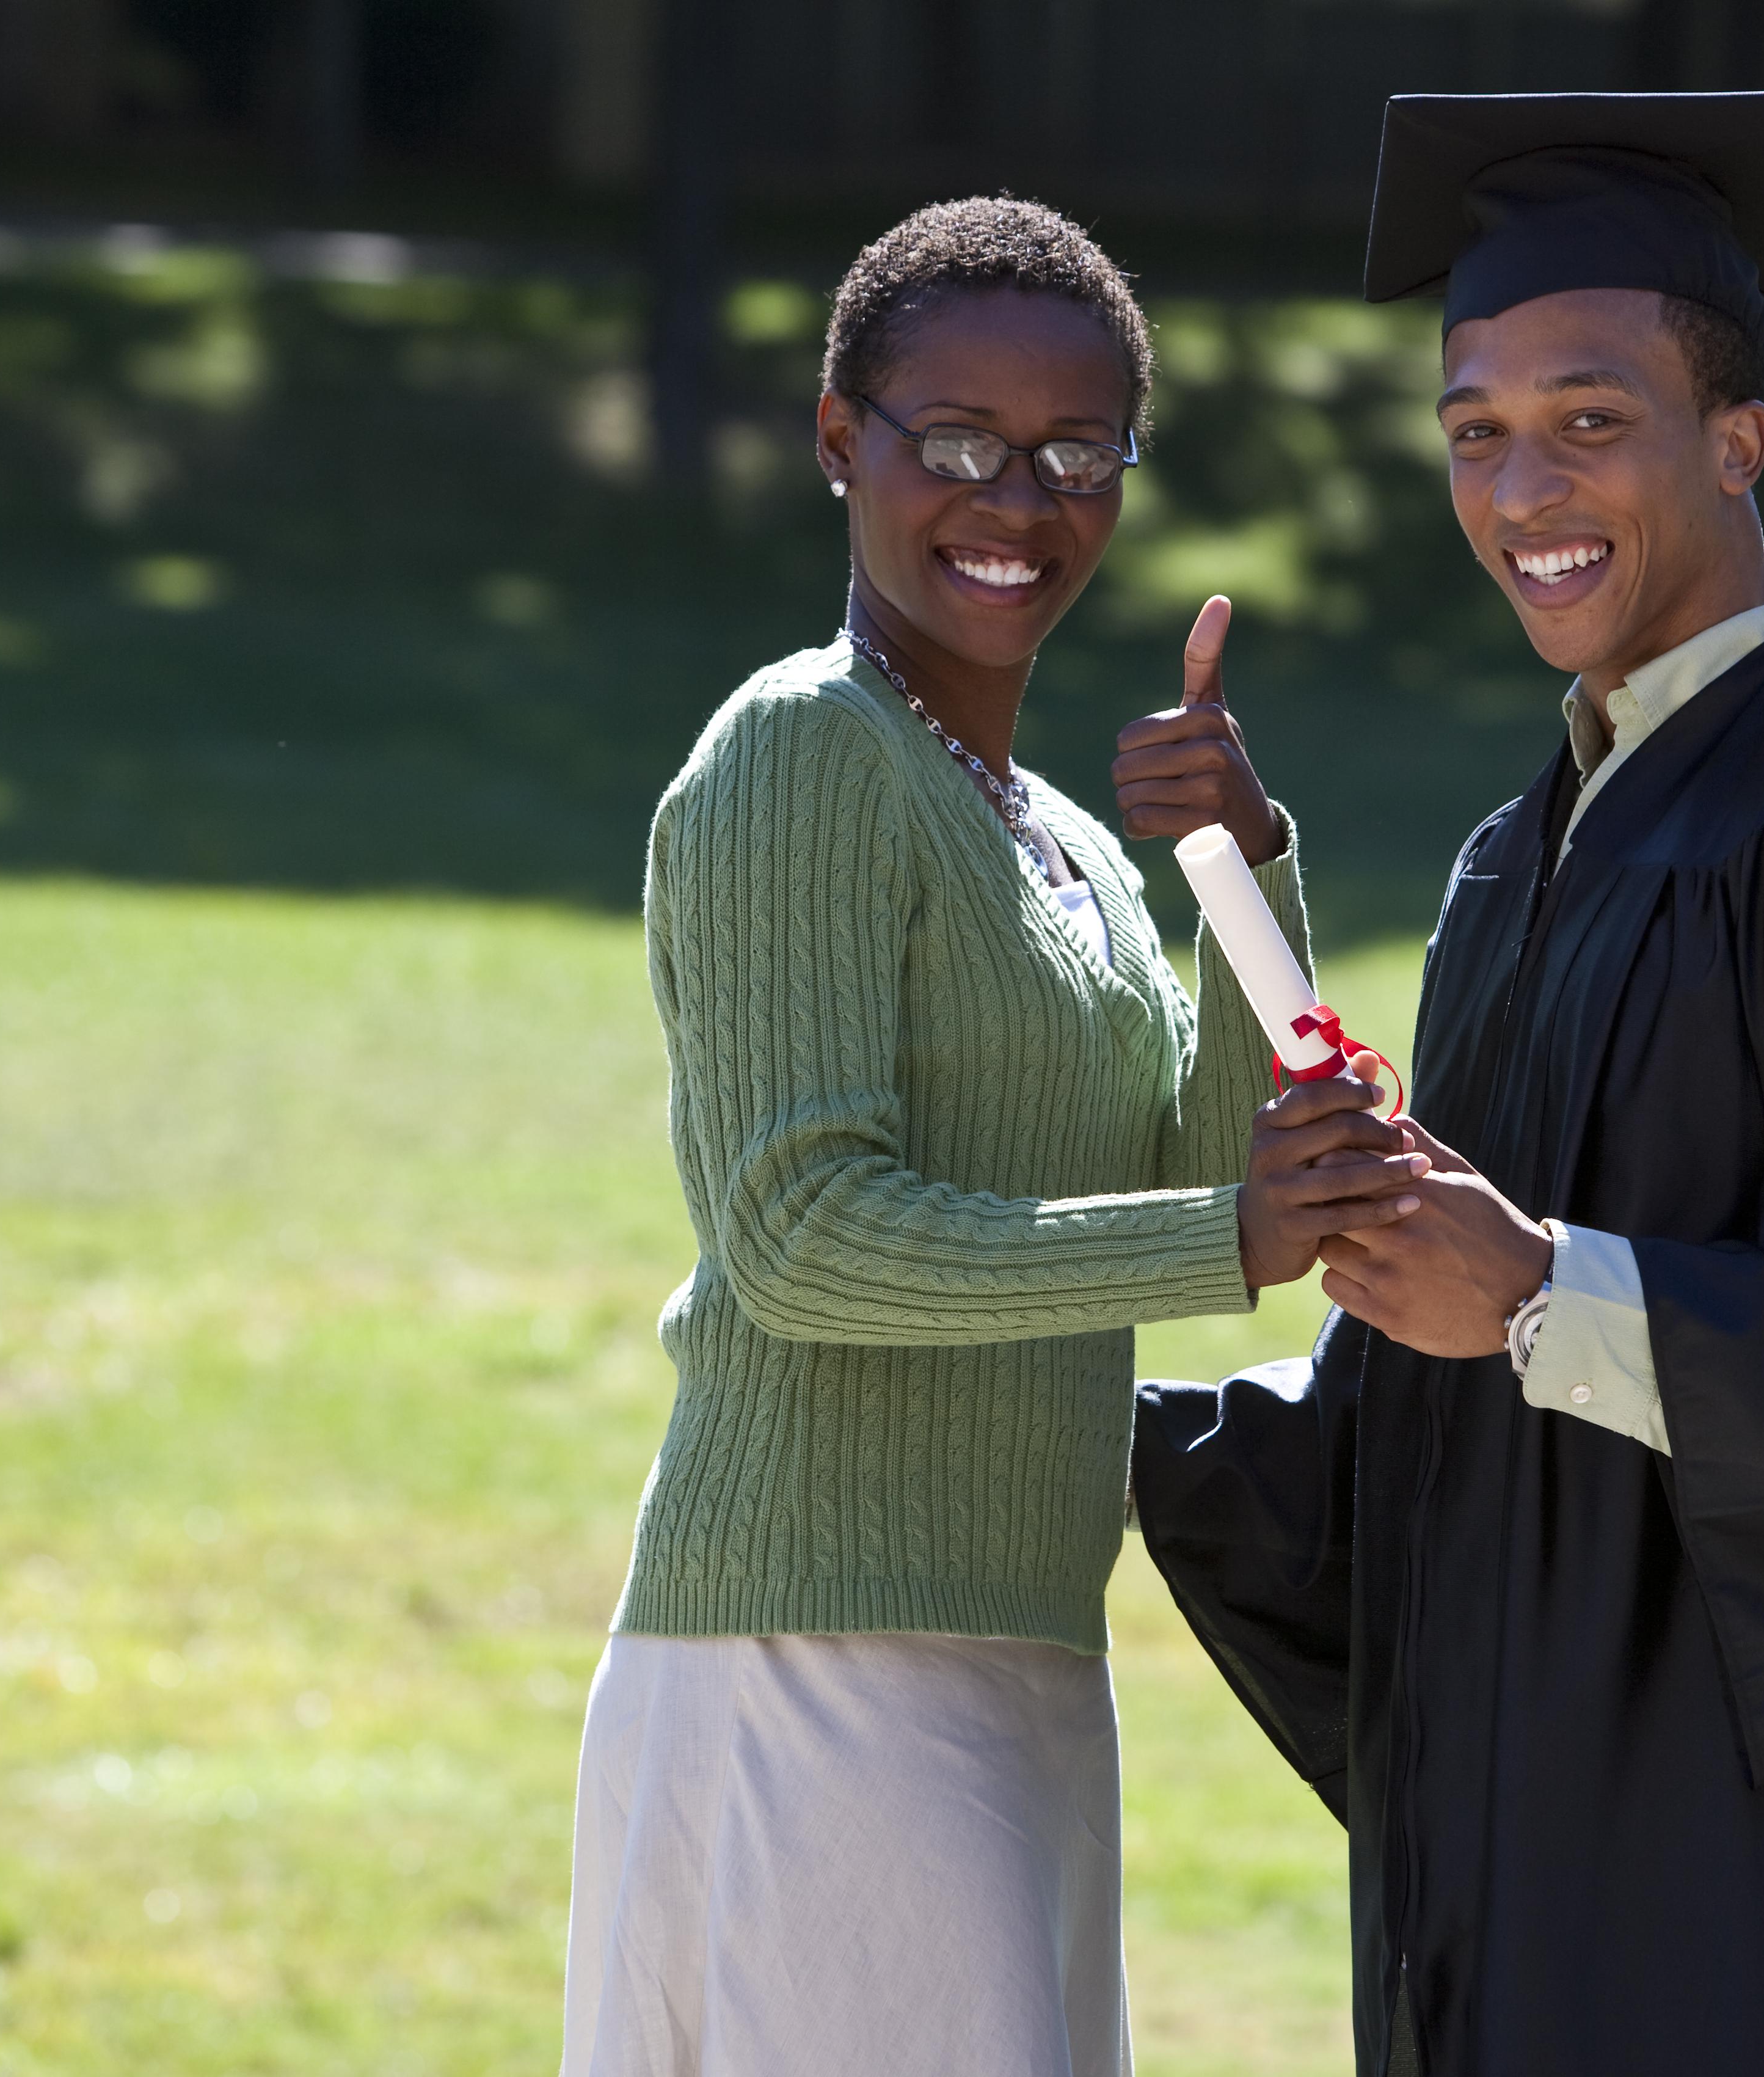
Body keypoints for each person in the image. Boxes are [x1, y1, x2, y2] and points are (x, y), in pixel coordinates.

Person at [1132, 94, 1764, 2076]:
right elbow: (1435, 1382)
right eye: (1473, 432)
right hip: (1546, 1832)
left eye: (1588, 419)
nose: (1523, 487)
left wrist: (1535, 1291)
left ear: (1738, 440)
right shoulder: (1522, 857)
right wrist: (1068, 1404)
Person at [558, 196, 1426, 2077]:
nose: (1015, 503)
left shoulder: (1065, 846)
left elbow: (1218, 1162)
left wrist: (1238, 867)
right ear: (838, 439)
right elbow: (800, 1237)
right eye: (954, 443)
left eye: (1074, 453)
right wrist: (1224, 1236)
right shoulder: (802, 749)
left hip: (1020, 1661)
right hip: (809, 1668)